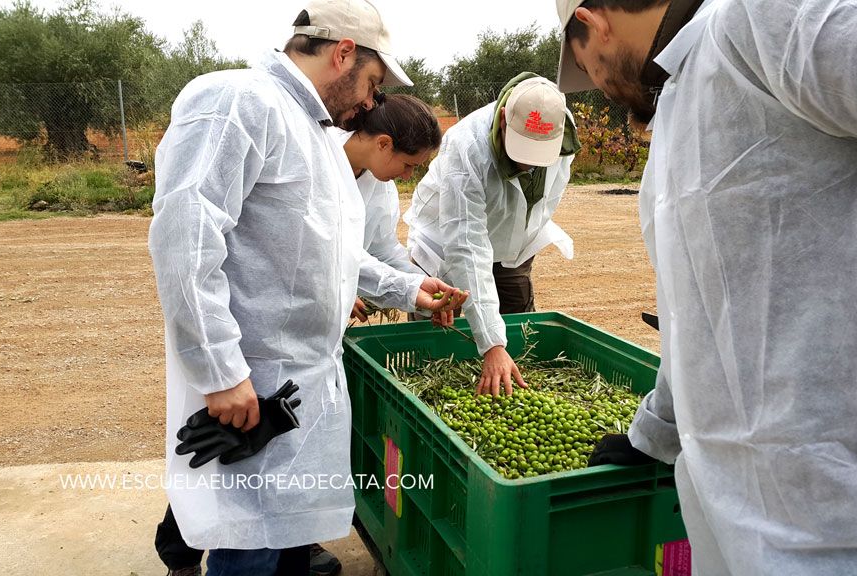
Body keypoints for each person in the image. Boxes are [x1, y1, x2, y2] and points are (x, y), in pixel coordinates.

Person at [557, 0, 857, 573]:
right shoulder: (683, 100)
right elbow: (697, 315)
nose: (600, 88)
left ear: (592, 22)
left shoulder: (760, 18)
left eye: (588, 69)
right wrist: (654, 432)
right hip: (742, 522)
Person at [148, 1, 466, 574]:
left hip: (300, 386)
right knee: (248, 544)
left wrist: (406, 289)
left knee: (284, 537)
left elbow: (334, 255)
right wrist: (220, 372)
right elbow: (185, 240)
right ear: (343, 52)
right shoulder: (237, 101)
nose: (372, 101)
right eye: (372, 82)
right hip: (253, 387)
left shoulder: (315, 133)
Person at [404, 73, 580, 396]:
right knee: (435, 342)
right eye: (521, 152)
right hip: (444, 245)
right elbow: (465, 243)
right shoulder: (467, 147)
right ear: (503, 119)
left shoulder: (561, 128)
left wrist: (498, 343)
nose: (528, 166)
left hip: (512, 248)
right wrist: (492, 344)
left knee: (517, 328)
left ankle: (508, 380)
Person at [332, 93, 443, 322]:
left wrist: (420, 281)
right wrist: (335, 283)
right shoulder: (321, 157)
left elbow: (383, 250)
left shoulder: (379, 183)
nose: (407, 176)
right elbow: (325, 252)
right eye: (408, 165)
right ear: (384, 143)